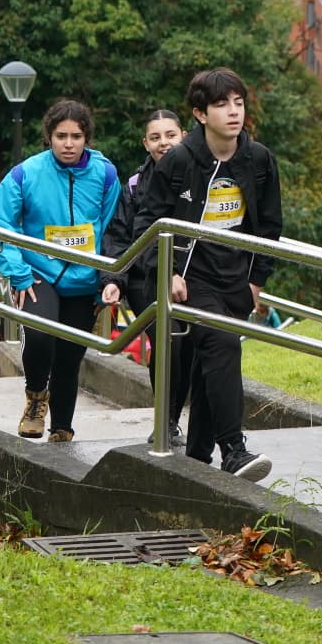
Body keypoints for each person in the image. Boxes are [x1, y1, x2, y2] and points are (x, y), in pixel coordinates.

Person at [131, 69, 282, 482]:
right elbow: (148, 221)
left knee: (208, 363)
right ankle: (233, 448)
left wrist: (257, 279)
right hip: (190, 279)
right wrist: (168, 272)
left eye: (238, 102)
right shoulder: (180, 161)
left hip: (236, 275)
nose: (233, 112)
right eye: (221, 105)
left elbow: (269, 224)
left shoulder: (259, 158)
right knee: (222, 344)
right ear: (199, 113)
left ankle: (197, 458)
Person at [0, 100, 120, 443]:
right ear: (49, 136)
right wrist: (17, 273)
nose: (68, 143)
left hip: (85, 280)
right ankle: (35, 399)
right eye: (61, 135)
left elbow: (111, 229)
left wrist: (105, 280)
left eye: (76, 136)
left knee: (68, 357)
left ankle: (62, 427)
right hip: (39, 275)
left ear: (86, 138)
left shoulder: (106, 174)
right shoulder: (25, 174)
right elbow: (0, 222)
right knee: (39, 337)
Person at [101, 109, 190, 447]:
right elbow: (120, 237)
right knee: (168, 339)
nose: (163, 143)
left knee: (188, 348)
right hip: (145, 279)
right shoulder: (135, 184)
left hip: (190, 275)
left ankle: (173, 418)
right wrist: (114, 279)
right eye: (155, 137)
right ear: (145, 143)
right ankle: (165, 422)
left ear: (183, 134)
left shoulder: (200, 174)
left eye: (170, 135)